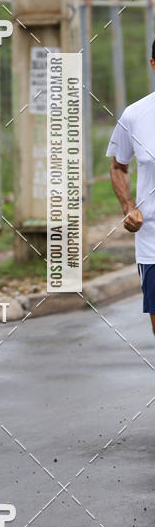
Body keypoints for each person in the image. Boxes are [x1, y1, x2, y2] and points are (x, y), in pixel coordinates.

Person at [106, 41, 155, 337]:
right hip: (152, 241)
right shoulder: (136, 115)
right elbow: (118, 166)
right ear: (153, 65)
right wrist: (129, 208)